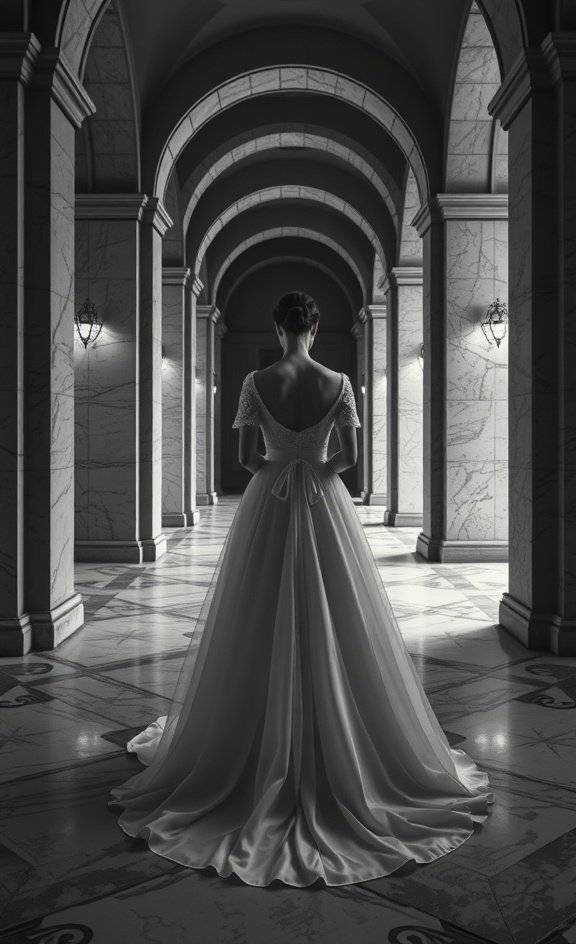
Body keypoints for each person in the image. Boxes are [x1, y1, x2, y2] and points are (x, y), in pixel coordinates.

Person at [109, 290, 492, 888]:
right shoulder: (339, 382)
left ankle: (251, 740)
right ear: (315, 327)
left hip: (268, 500)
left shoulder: (256, 382)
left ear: (277, 326)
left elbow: (245, 457)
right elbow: (350, 458)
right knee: (339, 613)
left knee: (256, 612)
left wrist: (278, 469)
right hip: (322, 499)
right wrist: (313, 470)